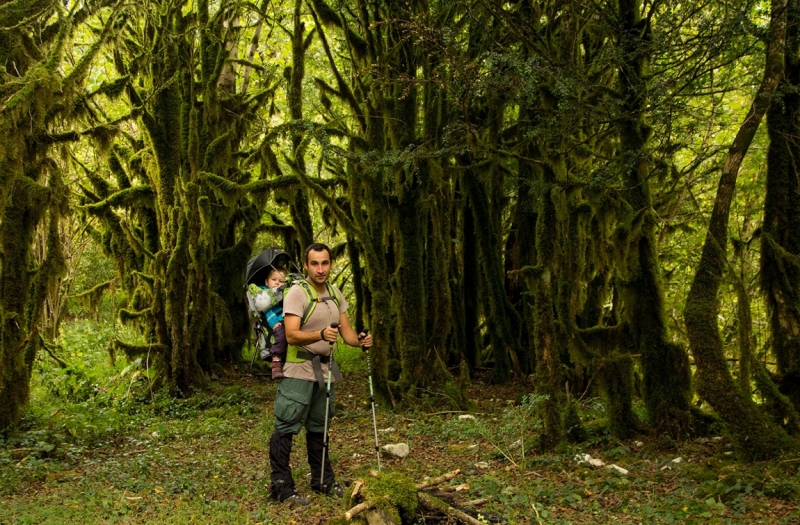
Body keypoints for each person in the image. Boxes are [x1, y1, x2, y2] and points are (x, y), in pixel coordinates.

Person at [269, 242, 373, 506]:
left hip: (325, 371)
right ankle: (281, 486)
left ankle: (323, 480)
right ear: (306, 265)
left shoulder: (335, 293)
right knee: (286, 427)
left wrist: (360, 341)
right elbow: (292, 334)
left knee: (320, 426)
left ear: (330, 264)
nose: (320, 269)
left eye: (325, 263)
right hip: (298, 370)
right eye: (314, 263)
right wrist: (320, 334)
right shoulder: (296, 293)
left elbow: (347, 333)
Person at [263, 266, 288, 379]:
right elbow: (267, 310)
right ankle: (276, 362)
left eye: (281, 281)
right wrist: (274, 323)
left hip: (288, 320)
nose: (278, 283)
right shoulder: (265, 295)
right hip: (277, 322)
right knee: (281, 336)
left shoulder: (285, 293)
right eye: (274, 280)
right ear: (266, 282)